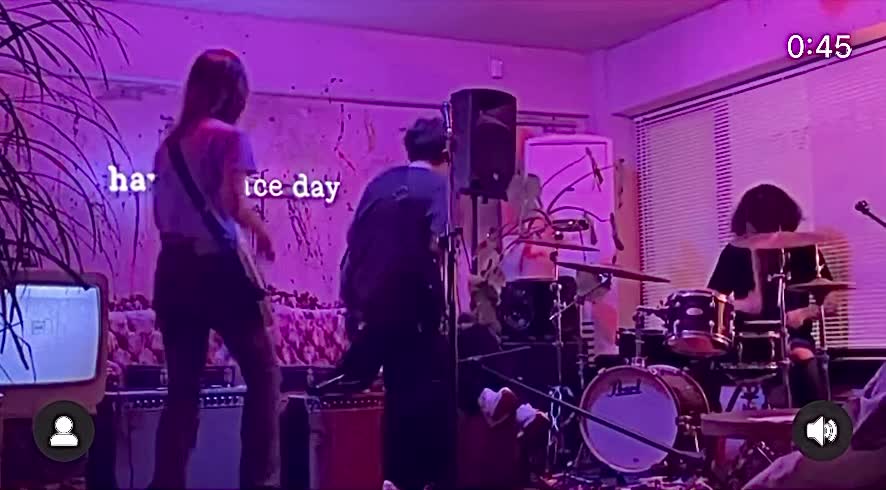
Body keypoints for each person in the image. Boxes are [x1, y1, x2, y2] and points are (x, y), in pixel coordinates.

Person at [150, 49, 279, 489]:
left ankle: (166, 484)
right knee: (264, 375)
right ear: (231, 92)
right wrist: (260, 231)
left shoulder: (168, 146)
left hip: (172, 270)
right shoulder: (229, 138)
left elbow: (161, 216)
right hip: (217, 270)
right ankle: (257, 483)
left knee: (182, 392)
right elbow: (232, 203)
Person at [338, 117, 451, 490]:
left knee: (398, 390)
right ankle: (413, 478)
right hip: (412, 301)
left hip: (369, 303)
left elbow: (355, 241)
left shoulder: (379, 183)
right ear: (445, 153)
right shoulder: (438, 186)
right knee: (422, 390)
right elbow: (438, 245)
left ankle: (394, 479)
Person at [706, 183, 837, 410]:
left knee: (802, 355)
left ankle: (817, 427)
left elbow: (832, 303)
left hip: (792, 337)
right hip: (742, 339)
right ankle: (705, 424)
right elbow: (713, 301)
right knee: (702, 356)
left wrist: (804, 313)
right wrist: (740, 305)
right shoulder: (734, 252)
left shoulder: (805, 251)